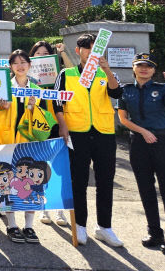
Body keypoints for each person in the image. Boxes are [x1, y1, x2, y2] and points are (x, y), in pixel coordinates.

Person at [53, 33, 123, 247]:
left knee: (105, 181)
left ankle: (104, 227)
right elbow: (57, 103)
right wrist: (63, 126)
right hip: (77, 133)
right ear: (78, 51)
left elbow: (117, 93)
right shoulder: (67, 74)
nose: (92, 53)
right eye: (87, 48)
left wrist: (107, 69)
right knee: (78, 181)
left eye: (96, 49)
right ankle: (80, 225)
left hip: (104, 132)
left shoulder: (105, 73)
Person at [0, 49, 66, 244]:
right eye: (15, 62)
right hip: (8, 141)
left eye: (23, 61)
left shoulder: (37, 89)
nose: (20, 65)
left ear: (30, 65)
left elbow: (43, 118)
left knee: (32, 183)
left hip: (30, 142)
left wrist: (34, 108)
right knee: (9, 183)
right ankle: (11, 225)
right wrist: (1, 107)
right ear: (10, 66)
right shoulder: (3, 87)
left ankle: (29, 226)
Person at [118, 53, 165, 256]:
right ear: (133, 68)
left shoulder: (162, 89)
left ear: (154, 70)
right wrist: (143, 132)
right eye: (140, 65)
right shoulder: (126, 91)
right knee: (146, 190)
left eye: (149, 66)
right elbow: (123, 119)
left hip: (162, 141)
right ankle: (154, 233)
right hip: (139, 142)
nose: (144, 68)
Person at [29, 41, 69, 227]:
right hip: (36, 127)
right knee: (40, 168)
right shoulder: (27, 78)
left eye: (45, 53)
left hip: (56, 125)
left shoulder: (59, 77)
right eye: (37, 53)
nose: (41, 56)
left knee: (59, 168)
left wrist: (63, 54)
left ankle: (60, 211)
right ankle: (43, 208)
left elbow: (75, 76)